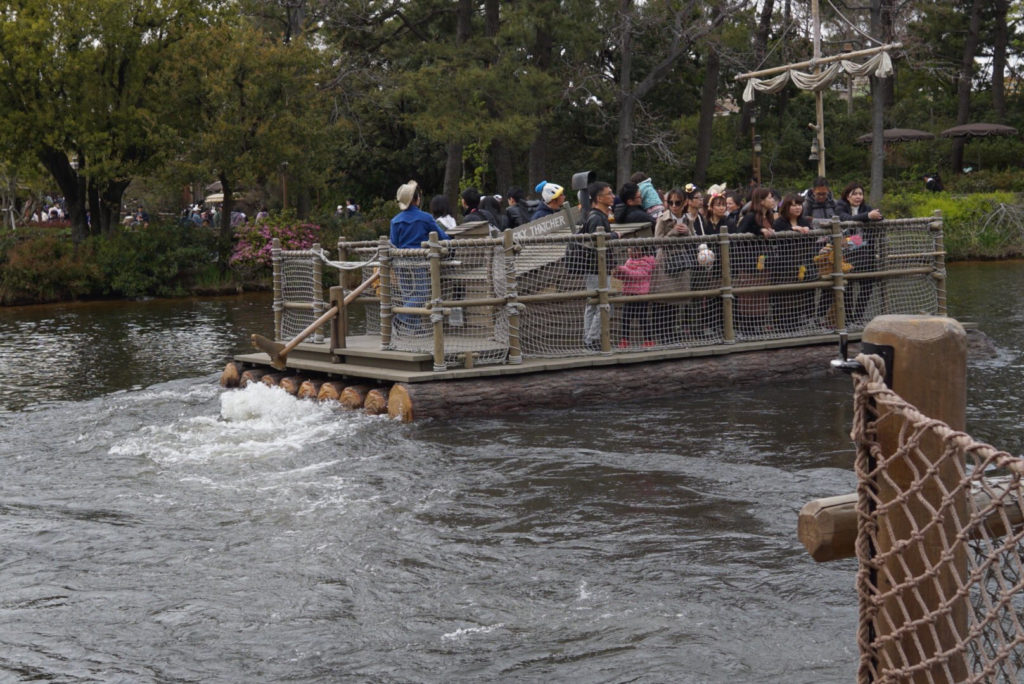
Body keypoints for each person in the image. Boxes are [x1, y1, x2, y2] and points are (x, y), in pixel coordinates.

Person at [390, 181, 452, 335]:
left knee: (408, 294)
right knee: (423, 293)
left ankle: (414, 328)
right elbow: (443, 237)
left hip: (400, 262)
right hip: (419, 261)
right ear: (416, 199)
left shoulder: (395, 221)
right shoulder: (425, 218)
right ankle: (400, 317)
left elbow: (394, 243)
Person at [576, 181, 620, 350]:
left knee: (594, 304)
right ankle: (592, 339)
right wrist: (614, 236)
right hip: (596, 269)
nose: (612, 196)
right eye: (609, 193)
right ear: (599, 198)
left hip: (599, 268)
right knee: (602, 303)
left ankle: (589, 339)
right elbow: (596, 243)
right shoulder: (596, 217)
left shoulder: (598, 216)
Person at [835, 181, 884, 324]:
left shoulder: (866, 208)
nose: (858, 197)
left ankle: (858, 316)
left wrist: (877, 216)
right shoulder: (840, 207)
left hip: (865, 253)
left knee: (867, 284)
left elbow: (880, 216)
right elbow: (846, 219)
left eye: (860, 194)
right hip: (846, 252)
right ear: (847, 196)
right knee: (847, 286)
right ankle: (849, 317)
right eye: (854, 194)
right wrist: (867, 217)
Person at [734, 187, 777, 336]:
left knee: (762, 296)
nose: (773, 201)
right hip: (749, 263)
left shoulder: (770, 217)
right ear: (762, 201)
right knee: (748, 297)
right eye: (770, 198)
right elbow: (739, 235)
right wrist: (759, 231)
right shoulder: (750, 216)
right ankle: (746, 328)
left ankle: (758, 325)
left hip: (765, 262)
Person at [771, 193, 815, 331]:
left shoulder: (804, 221)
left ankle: (798, 321)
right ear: (786, 207)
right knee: (785, 295)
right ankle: (782, 324)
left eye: (799, 205)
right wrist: (791, 231)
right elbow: (777, 237)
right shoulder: (780, 222)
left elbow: (813, 238)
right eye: (794, 205)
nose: (797, 208)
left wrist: (809, 231)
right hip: (783, 265)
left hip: (801, 262)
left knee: (800, 294)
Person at [612, 246, 657, 348]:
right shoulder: (629, 261)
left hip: (640, 295)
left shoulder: (646, 262)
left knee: (643, 319)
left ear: (641, 251)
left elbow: (637, 275)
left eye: (634, 249)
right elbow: (626, 276)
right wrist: (617, 273)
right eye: (629, 249)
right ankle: (624, 340)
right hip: (629, 294)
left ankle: (648, 340)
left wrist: (622, 269)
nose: (630, 251)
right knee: (625, 318)